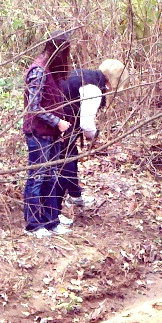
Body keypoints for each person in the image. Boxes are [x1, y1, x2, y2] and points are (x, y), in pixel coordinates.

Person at [22, 32, 73, 237]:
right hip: (38, 135)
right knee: (37, 179)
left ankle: (51, 221)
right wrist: (57, 122)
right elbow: (33, 107)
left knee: (51, 178)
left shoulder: (52, 70)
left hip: (51, 135)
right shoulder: (38, 71)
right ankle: (33, 225)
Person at [60, 58, 125, 210]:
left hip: (59, 121)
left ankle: (74, 195)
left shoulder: (84, 74)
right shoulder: (94, 89)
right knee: (67, 160)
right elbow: (86, 125)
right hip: (63, 124)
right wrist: (94, 136)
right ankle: (58, 207)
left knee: (69, 157)